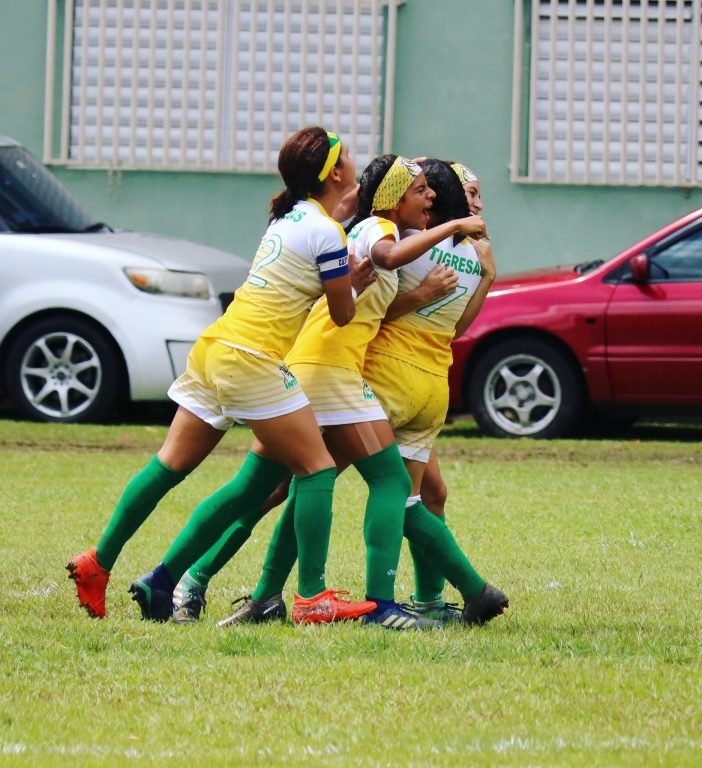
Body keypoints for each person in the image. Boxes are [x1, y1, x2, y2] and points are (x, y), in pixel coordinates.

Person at [66, 126, 376, 625]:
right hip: (251, 360)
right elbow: (342, 315)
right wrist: (353, 283)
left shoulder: (289, 219)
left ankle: (105, 565)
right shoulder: (328, 232)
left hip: (215, 350)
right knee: (317, 469)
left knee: (171, 466)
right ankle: (313, 596)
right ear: (334, 172)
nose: (354, 164)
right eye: (347, 158)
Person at [177, 155, 488, 630]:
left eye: (433, 190)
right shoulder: (385, 236)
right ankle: (386, 603)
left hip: (337, 369)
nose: (474, 205)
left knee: (281, 486)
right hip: (329, 369)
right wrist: (441, 254)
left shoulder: (398, 234)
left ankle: (225, 589)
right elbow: (380, 258)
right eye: (464, 195)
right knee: (294, 487)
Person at [363, 159, 505, 624]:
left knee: (312, 480)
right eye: (472, 192)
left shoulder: (441, 249)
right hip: (413, 386)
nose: (480, 203)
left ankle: (415, 600)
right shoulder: (416, 243)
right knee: (422, 495)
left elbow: (450, 327)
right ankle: (436, 598)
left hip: (399, 382)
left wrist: (483, 278)